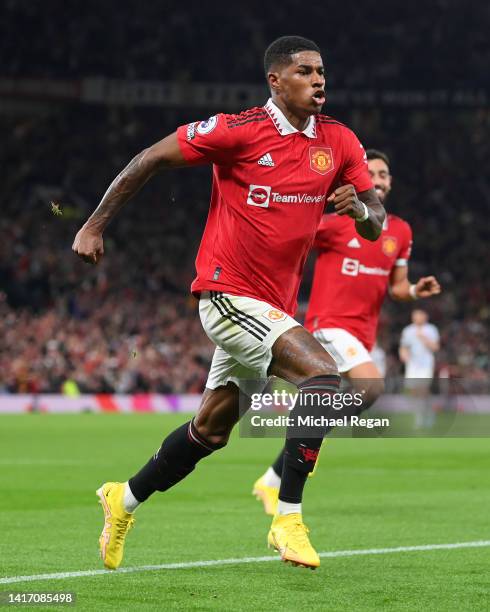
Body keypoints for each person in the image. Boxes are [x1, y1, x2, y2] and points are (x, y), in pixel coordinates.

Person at [72, 36, 385, 571]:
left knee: (211, 431)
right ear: (276, 81)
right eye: (305, 71)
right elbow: (149, 158)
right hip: (227, 294)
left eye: (321, 71)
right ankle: (287, 517)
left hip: (274, 310)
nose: (318, 80)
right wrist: (94, 224)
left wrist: (358, 206)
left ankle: (122, 499)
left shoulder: (340, 141)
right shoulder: (236, 131)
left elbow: (375, 222)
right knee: (324, 378)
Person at [253, 149, 441, 515]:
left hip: (361, 333)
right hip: (329, 324)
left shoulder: (400, 231)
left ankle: (274, 476)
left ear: (390, 182)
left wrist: (417, 290)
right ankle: (305, 438)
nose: (379, 179)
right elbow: (293, 236)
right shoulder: (337, 222)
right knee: (371, 387)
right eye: (371, 173)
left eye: (384, 174)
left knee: (330, 408)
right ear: (359, 181)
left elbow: (397, 287)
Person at [399, 308, 440, 427]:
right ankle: (420, 414)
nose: (416, 318)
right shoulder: (408, 330)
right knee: (413, 391)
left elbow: (435, 347)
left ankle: (425, 416)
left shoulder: (431, 329)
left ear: (425, 316)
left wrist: (423, 338)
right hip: (412, 365)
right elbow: (403, 346)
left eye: (418, 315)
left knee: (423, 389)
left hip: (426, 364)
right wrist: (403, 354)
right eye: (414, 315)